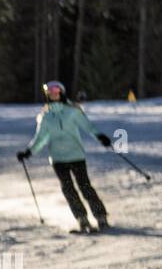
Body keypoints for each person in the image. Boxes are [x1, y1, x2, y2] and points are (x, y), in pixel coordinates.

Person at [17, 80, 113, 233]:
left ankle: (101, 217)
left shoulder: (73, 111)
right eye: (49, 91)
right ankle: (82, 219)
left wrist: (100, 137)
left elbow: (88, 127)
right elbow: (40, 138)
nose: (53, 94)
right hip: (58, 159)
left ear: (61, 92)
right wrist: (28, 152)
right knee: (68, 189)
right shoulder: (45, 116)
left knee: (85, 186)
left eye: (56, 90)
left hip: (76, 155)